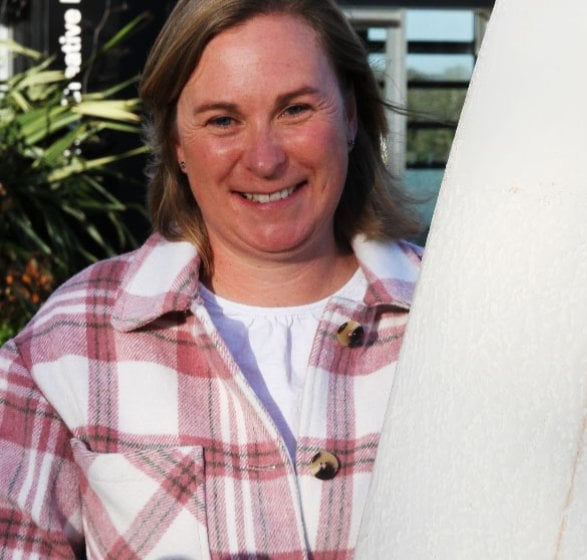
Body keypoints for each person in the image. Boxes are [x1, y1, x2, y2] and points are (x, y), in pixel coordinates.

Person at [0, 0, 422, 557]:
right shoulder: (70, 343)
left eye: (295, 109)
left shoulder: (459, 318)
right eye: (223, 120)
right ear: (175, 142)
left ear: (350, 116)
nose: (265, 159)